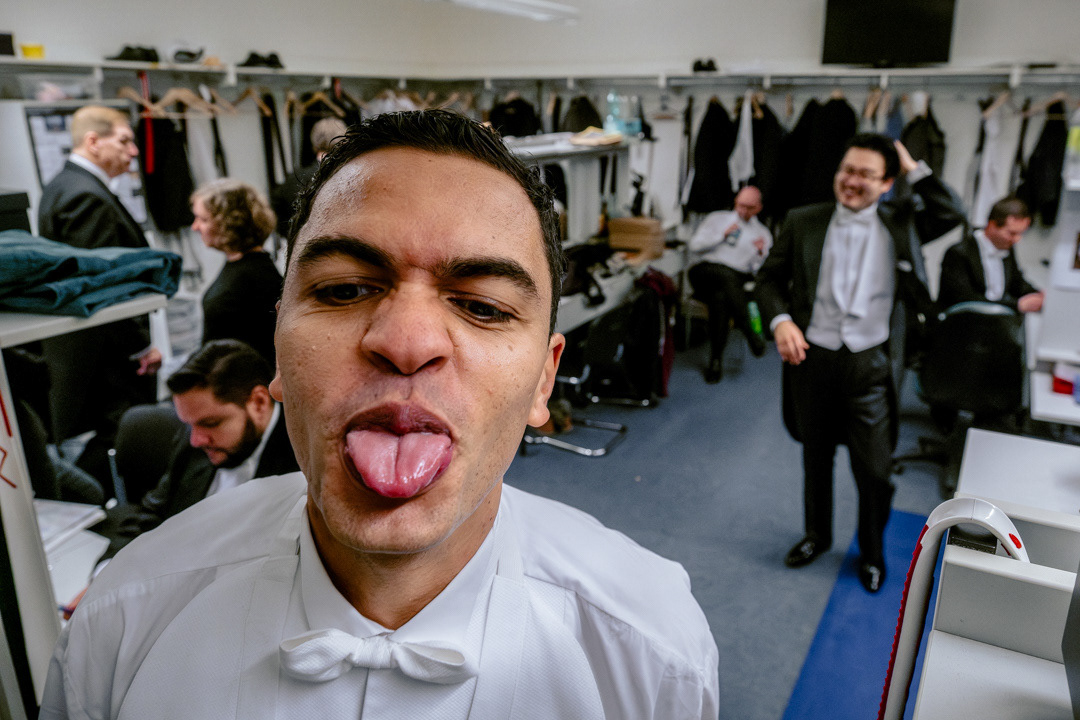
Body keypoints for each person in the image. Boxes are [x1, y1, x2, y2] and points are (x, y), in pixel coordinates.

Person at [43, 110, 719, 719]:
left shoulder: (652, 653)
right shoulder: (127, 618)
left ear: (545, 377)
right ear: (276, 347)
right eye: (343, 289)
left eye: (482, 306)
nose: (407, 342)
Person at [756, 133, 964, 593]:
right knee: (816, 458)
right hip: (812, 359)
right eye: (846, 170)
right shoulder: (803, 220)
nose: (851, 181)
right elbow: (767, 280)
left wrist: (912, 166)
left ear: (887, 182)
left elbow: (953, 212)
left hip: (870, 362)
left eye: (866, 174)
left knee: (874, 470)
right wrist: (780, 321)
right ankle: (816, 536)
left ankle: (871, 552)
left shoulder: (903, 222)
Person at [36, 105, 162, 491]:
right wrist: (140, 347)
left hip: (96, 356)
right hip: (106, 363)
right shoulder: (84, 196)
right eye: (124, 141)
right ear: (93, 141)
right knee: (123, 459)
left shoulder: (66, 186)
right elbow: (105, 286)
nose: (134, 151)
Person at [97, 340, 299, 556]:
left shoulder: (304, 464)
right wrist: (108, 567)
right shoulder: (193, 439)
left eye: (210, 423)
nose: (195, 440)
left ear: (259, 403)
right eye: (189, 424)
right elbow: (153, 515)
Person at [191, 179, 282, 365]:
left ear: (229, 223)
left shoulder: (255, 277)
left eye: (203, 220)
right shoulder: (242, 265)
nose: (195, 227)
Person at [687, 185, 772, 382]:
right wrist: (721, 236)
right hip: (706, 272)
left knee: (721, 299)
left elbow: (760, 271)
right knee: (725, 276)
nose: (743, 211)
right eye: (740, 205)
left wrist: (761, 254)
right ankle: (750, 331)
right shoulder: (717, 219)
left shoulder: (763, 234)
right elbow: (694, 246)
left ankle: (715, 361)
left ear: (758, 208)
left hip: (735, 280)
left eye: (749, 207)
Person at [937, 195, 1044, 313]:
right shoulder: (959, 253)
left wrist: (1038, 295)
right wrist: (1016, 305)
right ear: (992, 225)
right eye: (1012, 233)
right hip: (966, 318)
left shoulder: (1007, 250)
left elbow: (1017, 283)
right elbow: (962, 297)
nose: (1017, 239)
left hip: (998, 318)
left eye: (1020, 234)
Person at [271, 116, 348, 236]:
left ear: (314, 143)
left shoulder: (294, 178)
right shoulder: (349, 177)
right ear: (343, 142)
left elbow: (277, 214)